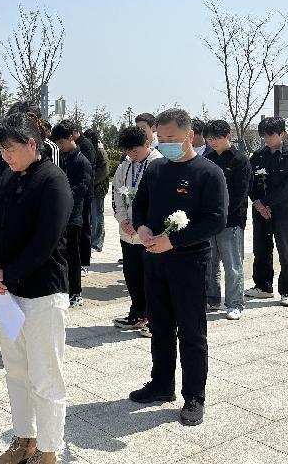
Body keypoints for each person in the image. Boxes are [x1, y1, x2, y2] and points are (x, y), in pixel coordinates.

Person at [0, 112, 72, 464]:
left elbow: (45, 242)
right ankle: (25, 440)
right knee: (16, 371)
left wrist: (10, 274)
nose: (5, 156)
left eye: (11, 149)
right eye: (1, 150)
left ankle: (49, 451)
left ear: (32, 144)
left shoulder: (53, 180)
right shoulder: (7, 176)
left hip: (43, 293)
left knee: (46, 377)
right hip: (9, 294)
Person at [130, 109, 227, 427]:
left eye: (172, 137)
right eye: (161, 137)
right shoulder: (156, 168)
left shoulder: (208, 172)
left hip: (189, 262)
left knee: (191, 331)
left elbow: (216, 219)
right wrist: (142, 227)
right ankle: (161, 384)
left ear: (189, 135)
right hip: (153, 259)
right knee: (159, 326)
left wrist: (173, 241)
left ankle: (194, 396)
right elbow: (140, 202)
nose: (166, 143)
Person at [246, 117, 288, 307]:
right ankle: (263, 286)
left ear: (282, 134)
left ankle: (287, 291)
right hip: (260, 211)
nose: (267, 139)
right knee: (261, 249)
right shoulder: (257, 156)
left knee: (287, 251)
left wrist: (266, 203)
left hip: (284, 210)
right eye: (264, 136)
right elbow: (250, 183)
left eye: (271, 135)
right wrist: (258, 204)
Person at [111, 126, 162, 335]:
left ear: (147, 144)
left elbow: (159, 201)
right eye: (128, 151)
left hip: (148, 233)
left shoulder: (158, 164)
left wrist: (140, 223)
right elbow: (117, 194)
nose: (132, 155)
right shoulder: (124, 166)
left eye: (135, 151)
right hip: (127, 233)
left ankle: (155, 318)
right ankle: (137, 313)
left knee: (151, 277)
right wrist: (123, 219)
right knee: (132, 275)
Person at [203, 119, 251, 320]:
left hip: (231, 221)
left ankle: (235, 303)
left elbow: (240, 194)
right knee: (210, 263)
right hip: (209, 221)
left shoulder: (240, 160)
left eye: (216, 138)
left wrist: (222, 215)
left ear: (227, 136)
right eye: (209, 139)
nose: (212, 142)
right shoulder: (207, 159)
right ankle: (212, 299)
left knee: (232, 265)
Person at [51, 120, 93, 308]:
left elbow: (80, 190)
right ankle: (63, 288)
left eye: (61, 142)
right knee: (61, 256)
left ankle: (76, 292)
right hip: (61, 214)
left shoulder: (82, 162)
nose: (60, 146)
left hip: (73, 217)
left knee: (73, 257)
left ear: (71, 138)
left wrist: (61, 199)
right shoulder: (62, 158)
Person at [84, 128, 109, 254]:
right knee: (90, 217)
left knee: (97, 216)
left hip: (98, 189)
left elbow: (104, 172)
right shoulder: (89, 150)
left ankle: (97, 243)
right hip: (90, 188)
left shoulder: (100, 151)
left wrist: (90, 181)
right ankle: (91, 241)